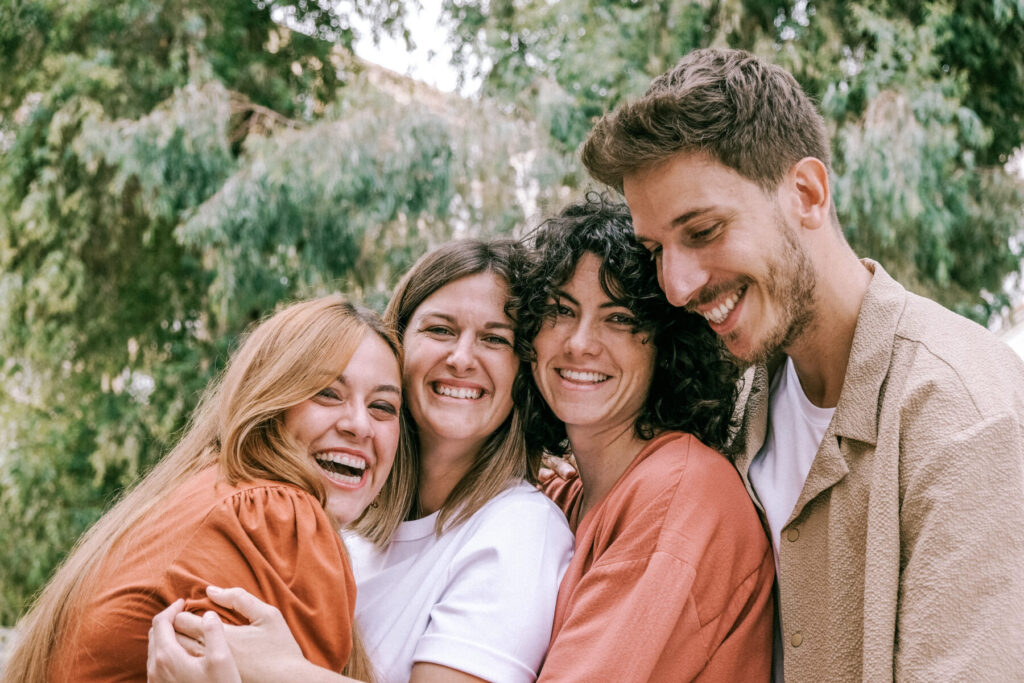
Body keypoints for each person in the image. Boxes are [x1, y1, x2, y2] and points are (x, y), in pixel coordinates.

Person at [581, 47, 1024, 680]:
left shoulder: (962, 415)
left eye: (703, 232)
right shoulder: (742, 399)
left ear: (807, 194)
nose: (676, 287)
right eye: (656, 249)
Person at [151, 240, 574, 683]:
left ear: (524, 369)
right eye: (440, 330)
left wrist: (281, 671)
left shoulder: (521, 527)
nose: (462, 358)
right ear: (397, 346)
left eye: (495, 339)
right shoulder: (343, 523)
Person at [3, 295, 403, 683]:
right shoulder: (276, 515)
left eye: (382, 407)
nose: (359, 425)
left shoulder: (204, 493)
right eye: (328, 394)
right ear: (270, 401)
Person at [518, 195, 774, 681]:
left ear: (666, 344)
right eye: (561, 310)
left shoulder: (679, 496)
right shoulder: (566, 494)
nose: (580, 343)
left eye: (619, 318)